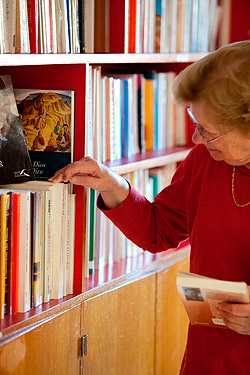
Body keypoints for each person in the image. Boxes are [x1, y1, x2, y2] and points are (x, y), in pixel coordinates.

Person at [49, 41, 250, 374]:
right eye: (195, 123)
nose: (197, 140)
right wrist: (112, 184)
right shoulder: (206, 159)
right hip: (208, 357)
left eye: (208, 132)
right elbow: (160, 230)